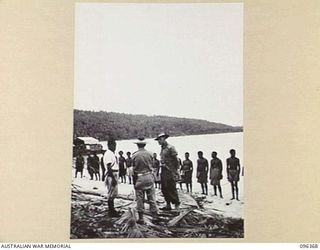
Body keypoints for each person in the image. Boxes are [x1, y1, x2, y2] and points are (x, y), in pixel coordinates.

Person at [132, 137, 158, 224]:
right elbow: (153, 165)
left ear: (137, 145)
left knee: (140, 198)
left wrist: (134, 182)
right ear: (145, 144)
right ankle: (154, 216)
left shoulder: (135, 155)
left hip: (140, 177)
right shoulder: (150, 154)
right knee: (151, 197)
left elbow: (134, 170)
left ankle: (141, 218)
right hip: (149, 176)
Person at [155, 133, 180, 211]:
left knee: (171, 187)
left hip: (170, 170)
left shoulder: (171, 148)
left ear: (164, 139)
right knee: (164, 188)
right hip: (163, 170)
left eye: (160, 139)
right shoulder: (162, 148)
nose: (158, 141)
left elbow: (176, 160)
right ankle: (168, 204)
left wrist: (176, 171)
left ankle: (176, 205)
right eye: (158, 140)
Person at [103, 139, 121, 217]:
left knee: (114, 193)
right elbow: (109, 167)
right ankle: (111, 211)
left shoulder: (111, 153)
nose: (115, 147)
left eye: (115, 145)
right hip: (111, 174)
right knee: (111, 193)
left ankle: (112, 210)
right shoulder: (108, 154)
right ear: (109, 145)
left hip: (114, 173)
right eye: (113, 145)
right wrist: (113, 178)